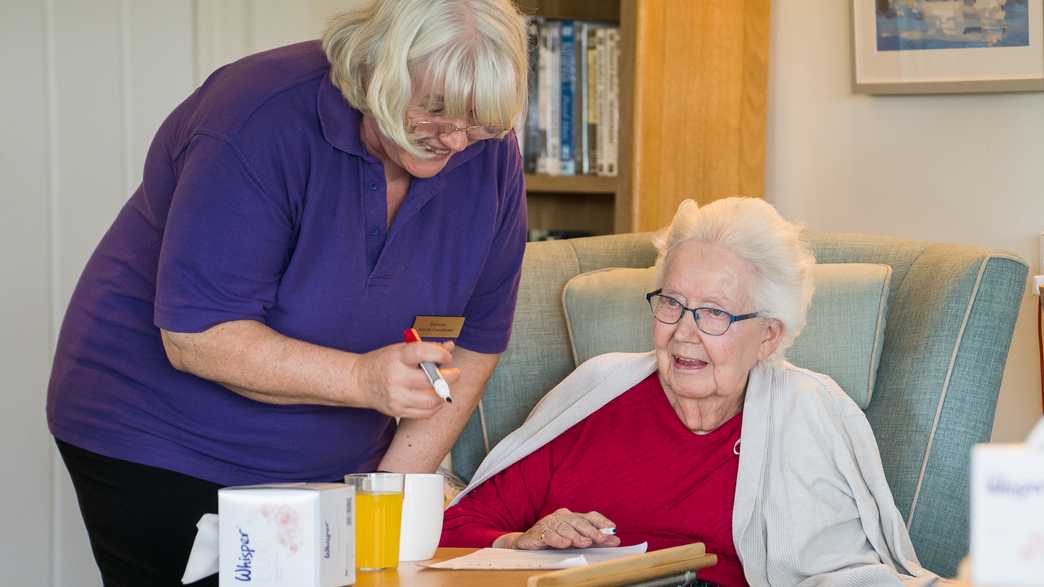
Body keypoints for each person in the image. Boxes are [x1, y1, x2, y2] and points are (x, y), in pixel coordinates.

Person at [46, 0, 528, 584]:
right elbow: (198, 336)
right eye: (434, 111)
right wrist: (363, 380)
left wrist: (389, 495)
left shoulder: (488, 157)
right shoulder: (258, 116)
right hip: (160, 435)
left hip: (332, 464)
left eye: (479, 123)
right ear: (381, 69)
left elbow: (474, 344)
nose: (454, 140)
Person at [440, 198, 940, 586]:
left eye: (715, 313)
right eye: (672, 303)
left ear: (768, 335)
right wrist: (522, 541)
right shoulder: (595, 395)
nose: (684, 331)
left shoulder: (808, 413)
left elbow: (845, 571)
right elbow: (453, 531)